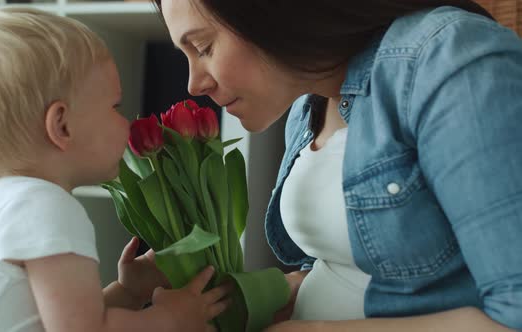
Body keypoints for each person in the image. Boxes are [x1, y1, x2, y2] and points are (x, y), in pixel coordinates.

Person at [153, 0, 522, 330]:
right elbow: (356, 263)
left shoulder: (447, 58)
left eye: (203, 47)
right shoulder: (308, 107)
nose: (193, 83)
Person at [0, 7, 229, 332]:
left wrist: (129, 292)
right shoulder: (46, 207)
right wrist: (171, 319)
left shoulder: (12, 203)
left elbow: (63, 320)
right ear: (62, 125)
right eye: (114, 107)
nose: (125, 121)